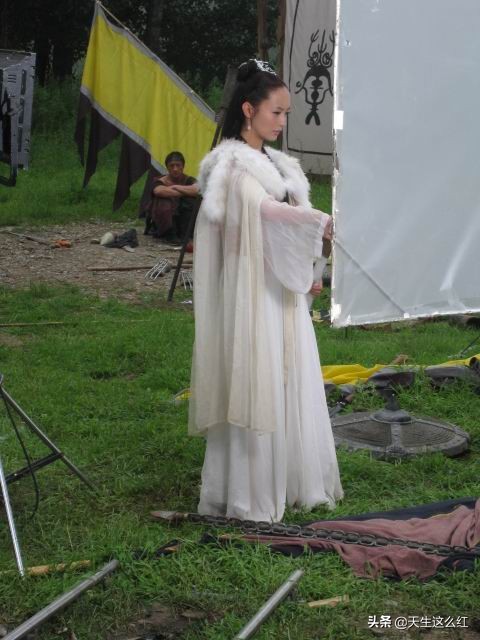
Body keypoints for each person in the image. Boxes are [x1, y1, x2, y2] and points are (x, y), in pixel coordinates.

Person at [189, 59, 343, 522]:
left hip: (281, 293)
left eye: (285, 114)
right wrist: (316, 221)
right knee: (257, 380)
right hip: (253, 295)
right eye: (276, 112)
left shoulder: (279, 166)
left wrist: (313, 256)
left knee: (289, 377)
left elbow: (285, 216)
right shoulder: (232, 166)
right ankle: (248, 491)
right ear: (248, 109)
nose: (281, 121)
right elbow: (262, 213)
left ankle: (294, 479)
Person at [146, 151, 199, 242]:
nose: (175, 169)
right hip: (165, 220)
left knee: (192, 201)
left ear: (183, 166)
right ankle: (169, 233)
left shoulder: (189, 179)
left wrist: (175, 187)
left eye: (178, 165)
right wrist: (185, 191)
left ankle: (185, 234)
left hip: (182, 219)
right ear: (167, 167)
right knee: (163, 201)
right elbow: (159, 191)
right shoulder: (160, 181)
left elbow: (198, 190)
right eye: (172, 166)